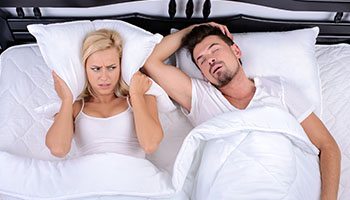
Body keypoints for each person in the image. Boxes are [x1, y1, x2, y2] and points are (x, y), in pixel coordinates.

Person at [143, 22, 341, 199]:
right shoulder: (200, 96)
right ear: (203, 74)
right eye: (201, 60)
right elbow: (150, 61)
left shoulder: (278, 90)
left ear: (236, 51)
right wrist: (191, 29)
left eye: (215, 49)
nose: (210, 59)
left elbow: (327, 146)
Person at [45, 29, 163, 158]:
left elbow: (150, 145)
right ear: (84, 69)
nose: (104, 77)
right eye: (96, 69)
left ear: (121, 66)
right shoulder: (75, 107)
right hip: (87, 175)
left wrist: (136, 95)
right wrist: (67, 99)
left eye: (111, 67)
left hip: (131, 174)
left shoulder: (142, 97)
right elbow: (58, 149)